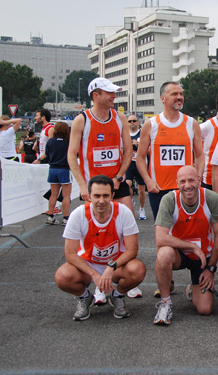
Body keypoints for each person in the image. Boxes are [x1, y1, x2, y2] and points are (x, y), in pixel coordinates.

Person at [54, 175, 146, 321]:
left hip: (115, 265)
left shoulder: (123, 212)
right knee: (62, 276)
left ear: (113, 195)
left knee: (138, 269)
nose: (101, 201)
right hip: (88, 264)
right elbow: (70, 254)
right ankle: (84, 297)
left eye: (105, 195)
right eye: (96, 196)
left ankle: (117, 296)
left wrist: (111, 266)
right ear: (89, 196)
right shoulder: (78, 214)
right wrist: (94, 274)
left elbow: (132, 250)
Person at [153, 166, 218, 325]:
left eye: (191, 180)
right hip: (179, 254)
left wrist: (211, 269)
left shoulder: (212, 198)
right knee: (163, 254)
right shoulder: (169, 199)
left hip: (203, 258)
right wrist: (192, 247)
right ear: (177, 183)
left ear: (199, 180)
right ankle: (165, 303)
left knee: (205, 309)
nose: (187, 185)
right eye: (183, 181)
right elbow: (160, 238)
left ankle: (194, 287)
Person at [136, 82, 204, 219]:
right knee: (162, 232)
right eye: (174, 94)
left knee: (186, 229)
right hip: (159, 189)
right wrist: (148, 181)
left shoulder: (191, 123)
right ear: (163, 98)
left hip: (185, 188)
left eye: (181, 94)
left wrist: (198, 177)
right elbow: (140, 157)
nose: (179, 97)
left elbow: (200, 155)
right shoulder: (151, 124)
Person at [67, 78, 134, 212]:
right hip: (93, 184)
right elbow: (71, 155)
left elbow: (128, 151)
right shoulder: (82, 120)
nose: (114, 96)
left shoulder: (119, 118)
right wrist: (82, 185)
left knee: (128, 224)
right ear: (96, 95)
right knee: (96, 227)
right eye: (110, 92)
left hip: (117, 182)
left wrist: (118, 177)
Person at [34, 122, 72, 225]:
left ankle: (50, 216)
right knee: (66, 196)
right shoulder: (68, 142)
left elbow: (46, 154)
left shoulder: (50, 141)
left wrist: (38, 160)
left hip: (53, 169)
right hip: (64, 169)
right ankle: (66, 218)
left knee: (53, 194)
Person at [125, 114, 147, 220]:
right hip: (129, 163)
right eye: (129, 121)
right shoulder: (124, 134)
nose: (132, 123)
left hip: (140, 163)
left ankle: (142, 209)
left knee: (141, 189)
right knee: (127, 185)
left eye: (134, 121)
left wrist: (137, 145)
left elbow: (148, 149)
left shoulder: (142, 133)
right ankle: (131, 200)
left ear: (138, 122)